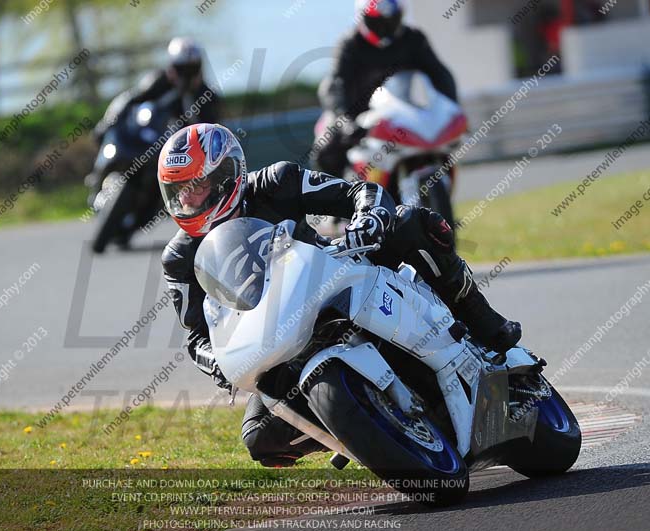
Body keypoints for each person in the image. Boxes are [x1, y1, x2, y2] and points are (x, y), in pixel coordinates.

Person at [159, 123, 521, 467]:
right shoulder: (179, 259)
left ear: (226, 176)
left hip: (332, 279)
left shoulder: (276, 182)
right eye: (178, 191)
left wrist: (369, 219)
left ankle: (487, 325)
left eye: (196, 185)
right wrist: (218, 362)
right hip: (276, 336)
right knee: (260, 439)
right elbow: (196, 338)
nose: (187, 199)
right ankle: (362, 430)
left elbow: (358, 191)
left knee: (412, 223)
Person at [314, 0, 458, 178]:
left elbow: (440, 74)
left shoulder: (413, 39)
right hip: (357, 117)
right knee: (327, 148)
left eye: (391, 20)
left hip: (400, 111)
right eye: (379, 22)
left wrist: (451, 107)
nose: (385, 27)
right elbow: (335, 86)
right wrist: (345, 121)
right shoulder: (350, 44)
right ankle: (336, 198)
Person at [93, 37, 221, 143]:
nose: (186, 76)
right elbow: (128, 99)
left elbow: (214, 128)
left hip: (186, 154)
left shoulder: (207, 95)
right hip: (149, 144)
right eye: (180, 69)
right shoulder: (157, 82)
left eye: (192, 69)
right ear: (171, 67)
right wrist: (106, 125)